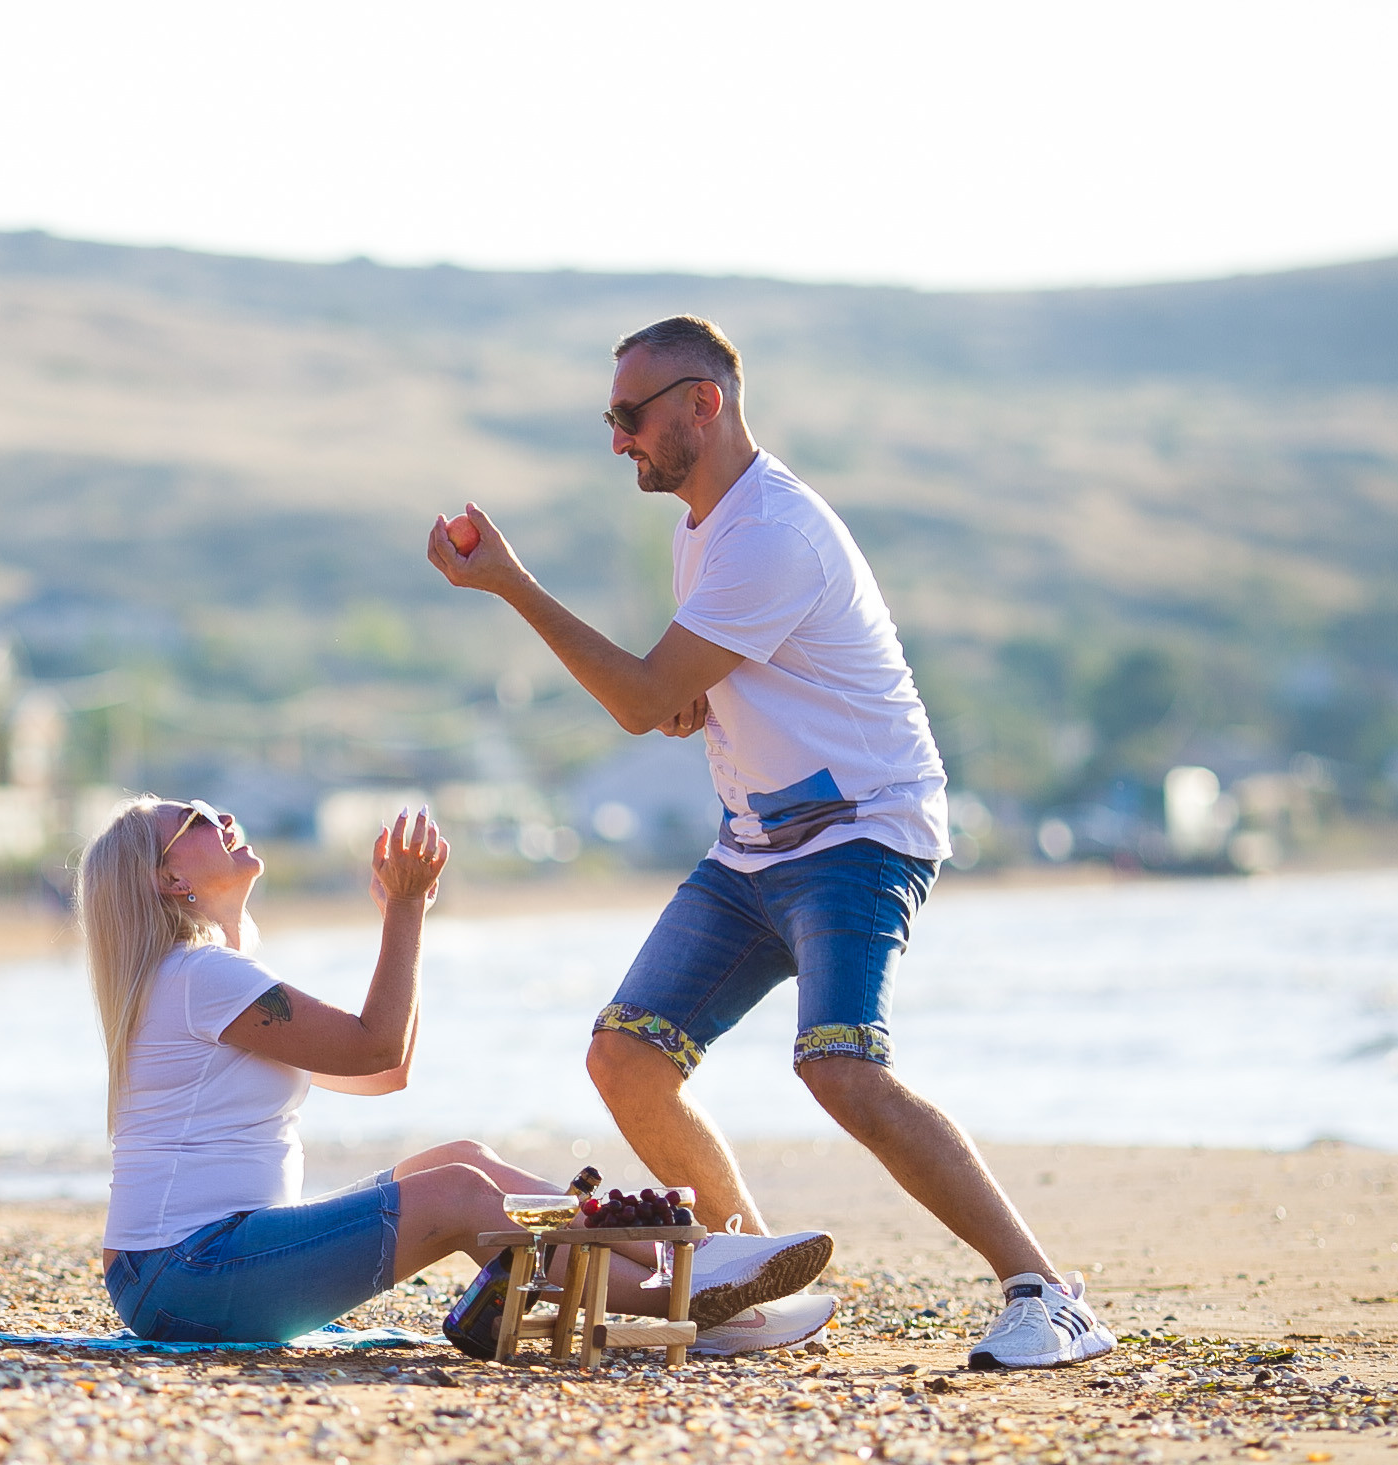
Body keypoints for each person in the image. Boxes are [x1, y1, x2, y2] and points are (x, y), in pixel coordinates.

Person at [425, 315, 1117, 1370]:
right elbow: (680, 700)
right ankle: (738, 1278)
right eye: (608, 418)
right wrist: (683, 703)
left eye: (630, 416)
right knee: (626, 1058)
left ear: (704, 402)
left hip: (859, 835)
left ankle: (1046, 1291)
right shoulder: (702, 527)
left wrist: (512, 584)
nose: (617, 440)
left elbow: (644, 697)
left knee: (840, 1069)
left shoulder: (772, 532)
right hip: (754, 845)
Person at [78, 794, 840, 1353]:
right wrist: (404, 911)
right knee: (457, 1196)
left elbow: (384, 1072)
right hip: (186, 1274)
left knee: (462, 1160)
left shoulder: (206, 974)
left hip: (189, 1270)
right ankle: (694, 1295)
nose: (223, 818)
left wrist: (402, 913)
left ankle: (695, 1269)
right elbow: (374, 1049)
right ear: (170, 879)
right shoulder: (202, 976)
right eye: (196, 821)